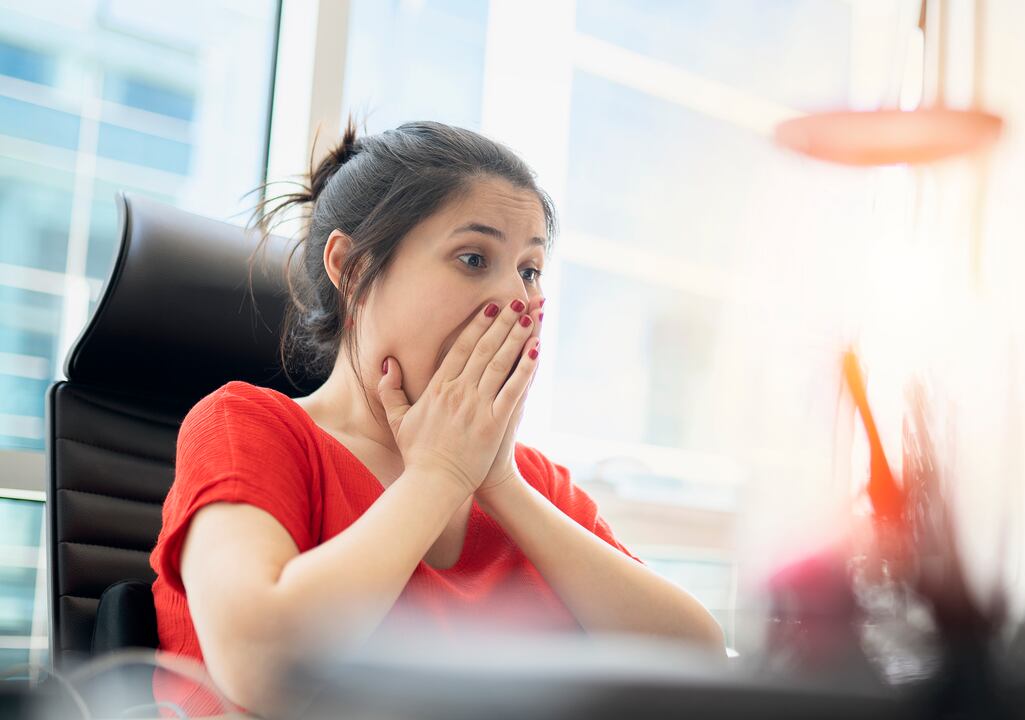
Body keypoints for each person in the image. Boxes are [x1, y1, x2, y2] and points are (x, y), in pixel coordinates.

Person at [147, 120, 725, 718]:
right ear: (350, 268)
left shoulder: (533, 483)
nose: (517, 298)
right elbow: (263, 668)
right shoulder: (248, 427)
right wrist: (439, 475)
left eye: (529, 269)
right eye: (473, 258)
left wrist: (498, 485)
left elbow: (696, 665)